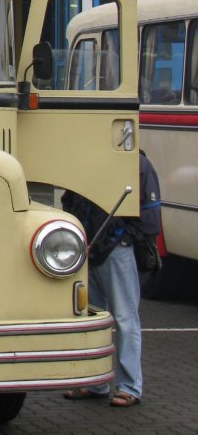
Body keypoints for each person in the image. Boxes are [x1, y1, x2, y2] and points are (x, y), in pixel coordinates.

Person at [61, 150, 161, 408]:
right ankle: (97, 382)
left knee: (125, 319)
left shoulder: (137, 164)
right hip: (92, 249)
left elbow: (149, 214)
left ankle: (129, 387)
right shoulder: (93, 161)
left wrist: (123, 237)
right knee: (96, 320)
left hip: (116, 250)